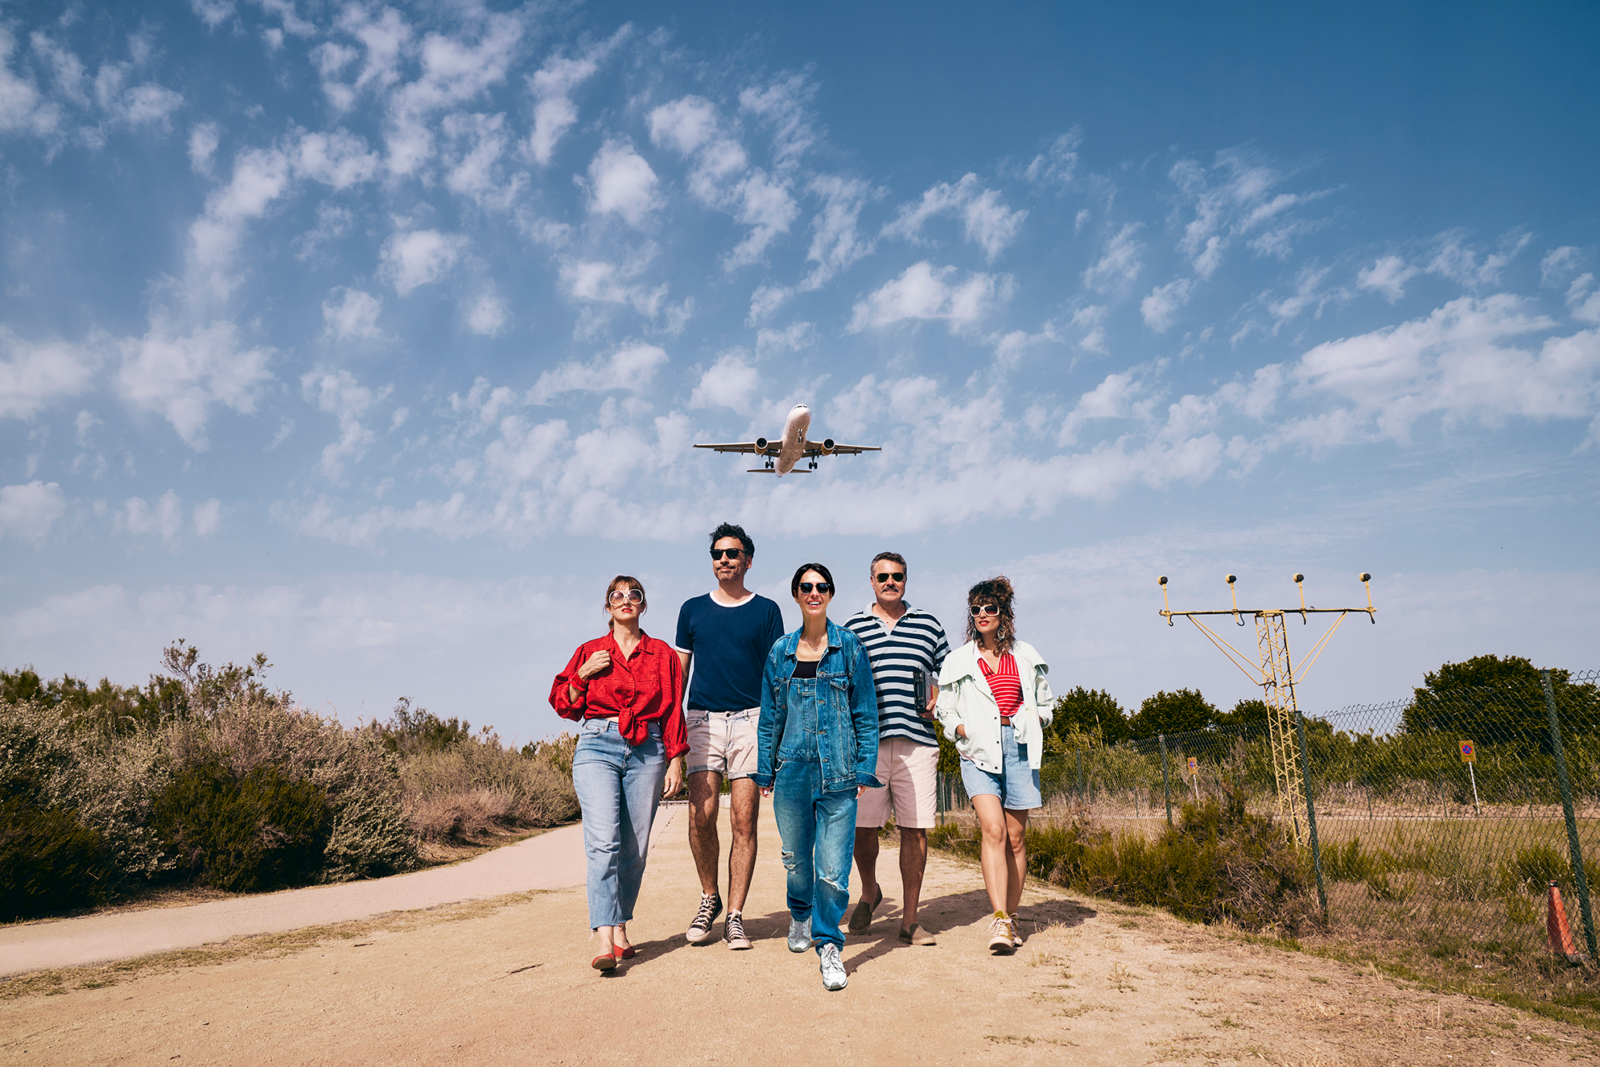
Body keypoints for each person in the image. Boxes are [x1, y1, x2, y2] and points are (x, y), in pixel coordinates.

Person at [550, 575, 687, 971]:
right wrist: (583, 674)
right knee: (604, 843)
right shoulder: (589, 651)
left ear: (643, 605)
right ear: (607, 607)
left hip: (649, 746)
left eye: (634, 595)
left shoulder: (661, 654)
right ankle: (604, 936)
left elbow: (673, 707)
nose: (626, 600)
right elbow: (563, 703)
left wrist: (675, 758)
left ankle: (621, 925)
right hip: (598, 743)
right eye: (617, 595)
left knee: (635, 849)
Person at [753, 563, 880, 991]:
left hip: (839, 772)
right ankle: (800, 915)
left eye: (821, 586)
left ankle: (829, 944)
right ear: (795, 594)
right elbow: (770, 718)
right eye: (806, 586)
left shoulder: (850, 647)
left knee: (833, 869)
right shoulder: (780, 652)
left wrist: (864, 767)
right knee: (796, 859)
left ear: (830, 593)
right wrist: (766, 769)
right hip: (791, 771)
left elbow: (866, 714)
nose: (814, 592)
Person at [674, 522, 786, 949]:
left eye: (732, 553)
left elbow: (777, 677)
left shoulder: (767, 611)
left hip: (751, 721)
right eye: (718, 553)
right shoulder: (692, 610)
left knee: (744, 820)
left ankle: (735, 916)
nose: (724, 559)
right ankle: (710, 897)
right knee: (700, 816)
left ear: (748, 560)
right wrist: (674, 736)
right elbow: (679, 678)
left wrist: (775, 735)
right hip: (702, 720)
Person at [934, 575, 1053, 955]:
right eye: (976, 609)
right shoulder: (958, 660)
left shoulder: (1025, 655)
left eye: (990, 607)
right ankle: (999, 919)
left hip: (1019, 748)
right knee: (994, 830)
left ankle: (1013, 916)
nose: (982, 614)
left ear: (1004, 613)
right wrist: (960, 729)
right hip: (978, 751)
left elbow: (1047, 703)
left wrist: (1036, 719)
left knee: (1016, 838)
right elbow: (944, 708)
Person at [843, 551, 949, 945]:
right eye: (883, 576)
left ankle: (910, 920)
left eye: (898, 576)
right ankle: (870, 891)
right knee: (862, 829)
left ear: (906, 580)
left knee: (914, 830)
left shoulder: (929, 625)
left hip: (917, 742)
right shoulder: (852, 627)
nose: (891, 582)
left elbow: (950, 674)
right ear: (871, 581)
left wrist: (939, 696)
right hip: (867, 744)